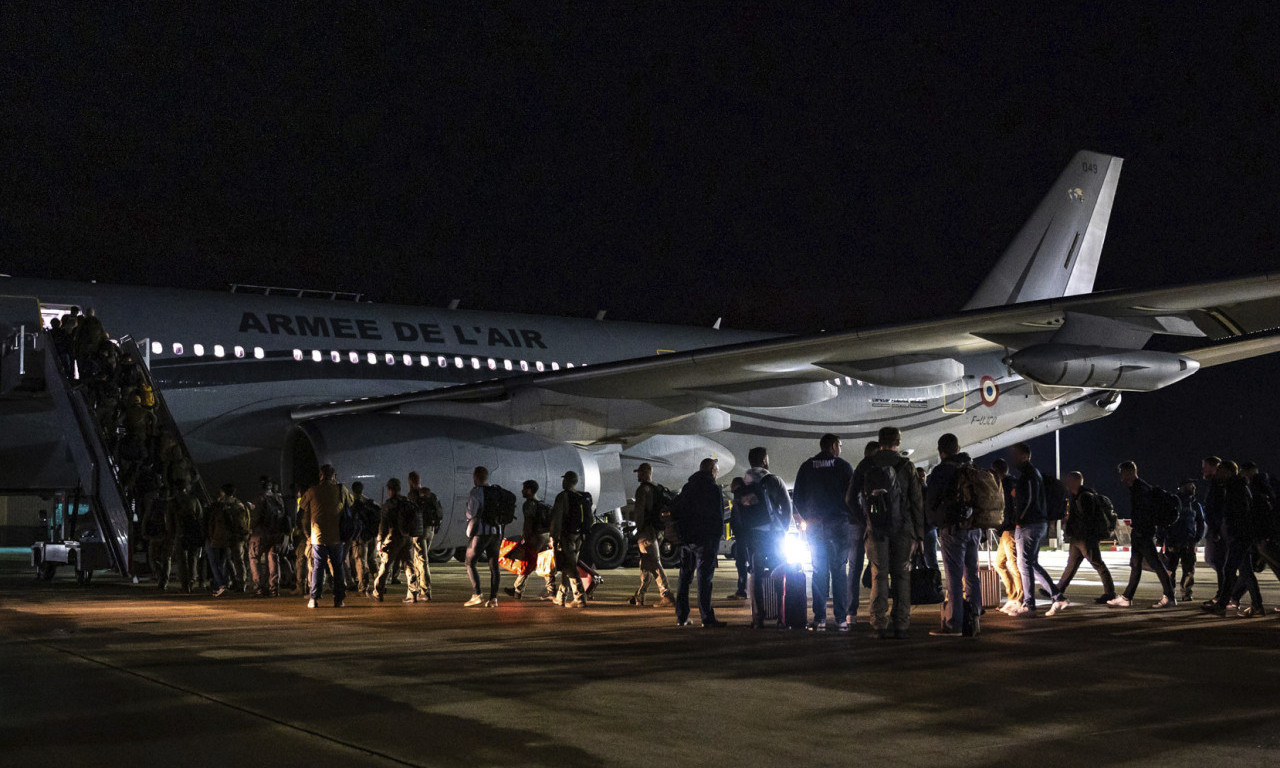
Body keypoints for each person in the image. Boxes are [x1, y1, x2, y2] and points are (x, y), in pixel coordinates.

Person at [851, 427, 924, 639]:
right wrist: (919, 535)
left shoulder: (866, 465)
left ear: (879, 441)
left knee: (878, 576)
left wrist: (865, 520)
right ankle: (901, 624)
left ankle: (878, 624)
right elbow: (917, 502)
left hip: (876, 531)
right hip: (903, 530)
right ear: (898, 442)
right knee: (902, 576)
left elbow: (849, 498)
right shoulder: (906, 466)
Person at [793, 433, 854, 632]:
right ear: (834, 446)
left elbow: (798, 498)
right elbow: (853, 496)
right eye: (840, 445)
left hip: (815, 525)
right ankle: (841, 619)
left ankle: (819, 619)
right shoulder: (843, 467)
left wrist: (808, 517)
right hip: (838, 524)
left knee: (819, 571)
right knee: (839, 571)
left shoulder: (807, 466)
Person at [925, 433, 981, 638]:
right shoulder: (971, 468)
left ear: (941, 452)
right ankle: (974, 620)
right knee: (972, 575)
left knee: (954, 578)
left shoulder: (941, 471)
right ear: (958, 448)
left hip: (953, 529)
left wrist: (934, 522)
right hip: (974, 528)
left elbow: (931, 503)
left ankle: (953, 624)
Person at [735, 447, 793, 629]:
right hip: (774, 534)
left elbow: (738, 514)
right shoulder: (773, 480)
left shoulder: (743, 484)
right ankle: (781, 616)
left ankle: (758, 617)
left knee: (757, 574)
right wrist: (783, 529)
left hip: (754, 536)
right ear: (765, 460)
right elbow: (787, 507)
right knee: (779, 571)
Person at [1108, 462, 1177, 608]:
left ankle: (1170, 596)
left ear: (1131, 471)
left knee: (1156, 564)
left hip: (1143, 533)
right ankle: (1126, 598)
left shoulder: (1141, 489)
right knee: (1135, 565)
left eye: (1122, 471)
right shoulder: (1137, 488)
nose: (1120, 475)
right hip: (1140, 532)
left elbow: (1146, 513)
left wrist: (1141, 529)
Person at [1008, 443, 1064, 617]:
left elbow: (1030, 499)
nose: (1013, 459)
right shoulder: (1031, 474)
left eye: (1016, 455)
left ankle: (1029, 605)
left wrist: (1020, 519)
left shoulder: (1030, 474)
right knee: (1030, 563)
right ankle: (1057, 596)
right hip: (1035, 523)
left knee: (1024, 564)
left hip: (1029, 524)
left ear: (1025, 456)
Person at [673, 458, 727, 627]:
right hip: (705, 540)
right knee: (704, 580)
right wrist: (716, 540)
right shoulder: (713, 489)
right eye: (716, 471)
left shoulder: (688, 487)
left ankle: (682, 616)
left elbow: (677, 509)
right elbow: (718, 518)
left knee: (684, 579)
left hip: (687, 541)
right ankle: (707, 617)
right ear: (712, 471)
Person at [1205, 461, 1261, 616]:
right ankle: (1257, 606)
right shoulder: (1237, 487)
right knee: (1245, 573)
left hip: (1239, 537)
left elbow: (1239, 514)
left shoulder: (1235, 488)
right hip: (1240, 537)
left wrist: (1234, 533)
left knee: (1229, 571)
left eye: (1220, 470)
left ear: (1229, 471)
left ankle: (1222, 604)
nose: (1217, 474)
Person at [1055, 472, 1117, 608]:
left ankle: (1110, 593)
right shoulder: (1076, 496)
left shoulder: (1085, 497)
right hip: (1077, 538)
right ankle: (1057, 590)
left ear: (1076, 482)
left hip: (1085, 538)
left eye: (1069, 480)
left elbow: (1088, 520)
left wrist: (1076, 527)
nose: (1066, 482)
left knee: (1098, 564)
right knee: (1071, 566)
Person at [297, 464, 352, 609]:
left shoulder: (312, 490)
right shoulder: (341, 489)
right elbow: (350, 503)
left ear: (320, 476)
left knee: (318, 568)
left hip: (317, 536)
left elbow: (302, 507)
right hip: (336, 537)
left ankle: (314, 598)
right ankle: (338, 600)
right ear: (334, 476)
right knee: (338, 567)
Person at [842, 440, 880, 628]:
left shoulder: (858, 469)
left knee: (854, 569)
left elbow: (849, 498)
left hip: (856, 525)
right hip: (872, 524)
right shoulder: (877, 469)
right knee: (878, 568)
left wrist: (858, 518)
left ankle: (851, 613)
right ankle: (877, 613)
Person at [627, 463, 674, 607]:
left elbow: (639, 512)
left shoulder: (643, 490)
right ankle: (640, 595)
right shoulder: (657, 488)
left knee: (654, 562)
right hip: (658, 530)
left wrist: (639, 529)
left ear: (646, 473)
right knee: (645, 562)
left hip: (647, 531)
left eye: (640, 472)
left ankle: (666, 595)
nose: (638, 475)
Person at [506, 480, 556, 600]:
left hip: (535, 537)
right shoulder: (541, 504)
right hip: (545, 536)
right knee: (545, 563)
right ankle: (552, 591)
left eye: (524, 489)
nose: (522, 491)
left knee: (527, 563)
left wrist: (525, 537)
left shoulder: (529, 504)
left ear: (529, 490)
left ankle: (517, 590)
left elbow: (528, 522)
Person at [1157, 480, 1204, 603]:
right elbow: (1163, 522)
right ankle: (1169, 594)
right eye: (1189, 484)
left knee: (1189, 570)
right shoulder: (1173, 502)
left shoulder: (1195, 505)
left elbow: (1200, 523)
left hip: (1188, 542)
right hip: (1172, 542)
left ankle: (1186, 593)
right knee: (1170, 570)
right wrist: (1160, 540)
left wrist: (1197, 538)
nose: (1193, 486)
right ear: (1181, 487)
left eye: (1193, 485)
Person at [369, 478, 415, 602]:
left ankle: (378, 592)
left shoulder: (389, 504)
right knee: (408, 564)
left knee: (385, 565)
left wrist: (379, 540)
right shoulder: (406, 502)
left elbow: (383, 525)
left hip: (393, 536)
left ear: (390, 490)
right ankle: (413, 593)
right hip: (407, 537)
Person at [548, 471, 589, 608]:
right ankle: (561, 596)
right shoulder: (582, 497)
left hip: (567, 536)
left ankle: (580, 597)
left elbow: (557, 518)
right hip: (579, 536)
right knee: (568, 564)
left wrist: (553, 536)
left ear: (567, 481)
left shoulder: (563, 496)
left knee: (570, 567)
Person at [463, 466, 502, 608]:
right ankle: (493, 599)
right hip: (497, 533)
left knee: (469, 562)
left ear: (475, 477)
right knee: (494, 566)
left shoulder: (476, 493)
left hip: (481, 533)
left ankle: (477, 594)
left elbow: (471, 513)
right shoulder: (497, 491)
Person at [990, 459, 1024, 614]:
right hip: (1006, 529)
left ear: (996, 472)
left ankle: (1020, 598)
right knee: (999, 563)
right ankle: (1012, 596)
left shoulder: (1006, 485)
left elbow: (1008, 508)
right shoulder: (1012, 483)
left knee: (1013, 563)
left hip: (1010, 529)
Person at [204, 484, 246, 597]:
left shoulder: (220, 505)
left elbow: (213, 522)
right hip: (238, 536)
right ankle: (241, 584)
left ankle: (224, 583)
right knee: (238, 561)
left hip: (224, 537)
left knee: (223, 561)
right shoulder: (239, 504)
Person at [406, 471, 441, 601]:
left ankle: (425, 592)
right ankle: (421, 589)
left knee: (421, 560)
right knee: (420, 560)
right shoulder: (429, 495)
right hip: (430, 530)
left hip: (419, 531)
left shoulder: (413, 495)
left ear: (410, 481)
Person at [248, 476, 285, 597]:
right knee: (273, 559)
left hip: (260, 534)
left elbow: (255, 518)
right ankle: (274, 588)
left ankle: (259, 588)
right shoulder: (278, 499)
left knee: (254, 559)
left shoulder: (259, 499)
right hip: (275, 534)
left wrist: (249, 528)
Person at [346, 481, 380, 596]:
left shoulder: (352, 503)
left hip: (360, 537)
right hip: (371, 536)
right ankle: (379, 584)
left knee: (360, 561)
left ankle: (363, 587)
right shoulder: (369, 502)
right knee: (372, 561)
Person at [171, 480, 204, 594]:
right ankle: (192, 580)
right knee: (193, 558)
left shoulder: (173, 502)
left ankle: (185, 585)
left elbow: (169, 520)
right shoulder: (194, 500)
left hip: (180, 533)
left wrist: (172, 534)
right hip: (193, 533)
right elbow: (200, 516)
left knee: (182, 560)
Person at [1201, 456, 1226, 596]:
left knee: (1217, 561)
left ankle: (1225, 593)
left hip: (1218, 530)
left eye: (1205, 466)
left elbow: (1218, 508)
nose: (1203, 470)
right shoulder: (1215, 484)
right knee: (1214, 560)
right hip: (1216, 528)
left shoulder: (1219, 485)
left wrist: (1216, 529)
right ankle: (1225, 592)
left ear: (1213, 467)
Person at [727, 476, 749, 601]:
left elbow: (738, 516)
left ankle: (742, 591)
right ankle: (742, 590)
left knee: (741, 563)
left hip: (742, 536)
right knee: (744, 562)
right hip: (745, 535)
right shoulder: (744, 494)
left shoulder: (738, 495)